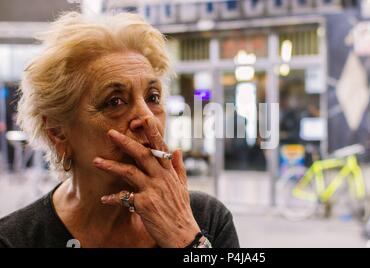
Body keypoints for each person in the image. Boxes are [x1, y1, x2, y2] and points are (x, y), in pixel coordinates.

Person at [0, 12, 239, 248]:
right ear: (58, 132)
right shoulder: (15, 239)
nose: (147, 119)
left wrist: (187, 240)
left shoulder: (206, 219)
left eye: (153, 97)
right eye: (115, 101)